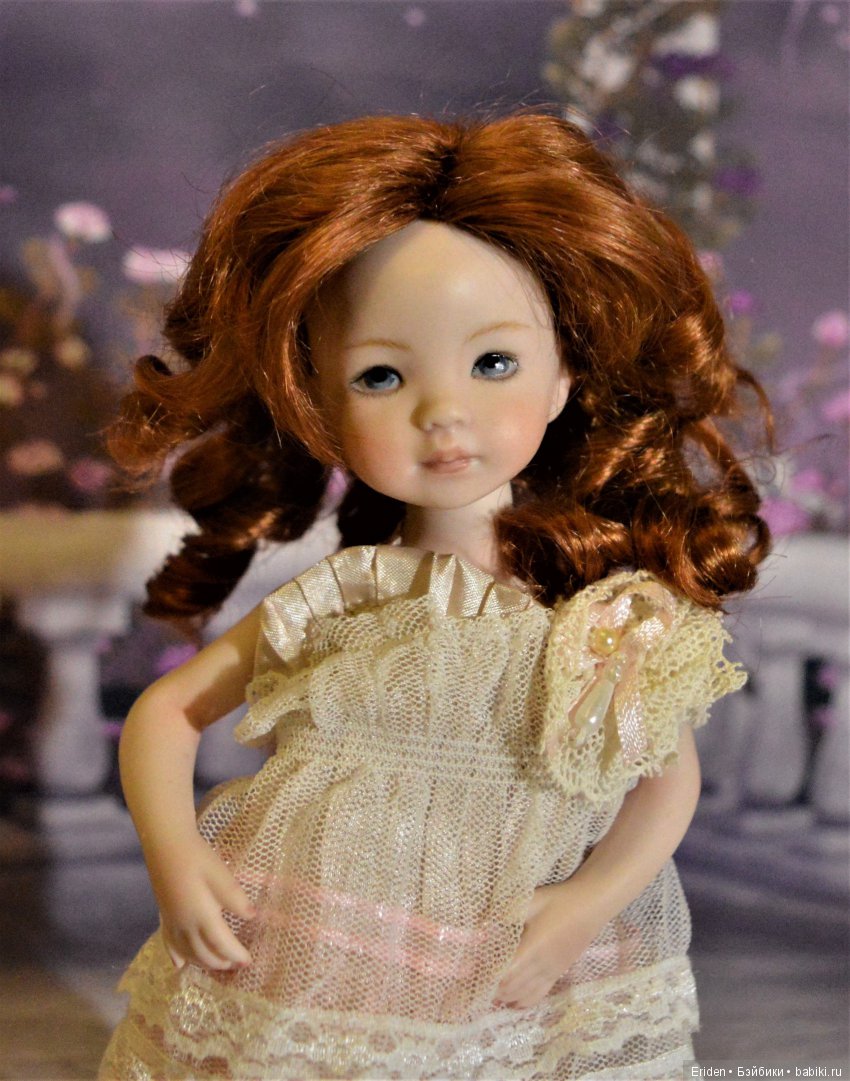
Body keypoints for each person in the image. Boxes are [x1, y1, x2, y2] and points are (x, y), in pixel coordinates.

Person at [98, 112, 770, 1080]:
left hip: (513, 943)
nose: (443, 413)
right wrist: (179, 858)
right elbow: (165, 713)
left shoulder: (599, 613)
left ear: (562, 377)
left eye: (493, 362)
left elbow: (667, 780)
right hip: (329, 938)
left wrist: (586, 904)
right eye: (380, 376)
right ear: (322, 409)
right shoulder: (350, 596)